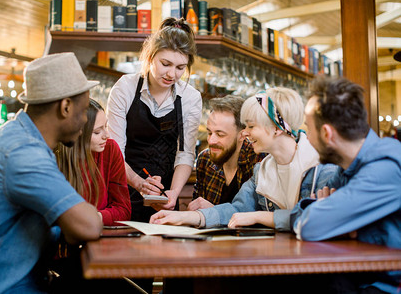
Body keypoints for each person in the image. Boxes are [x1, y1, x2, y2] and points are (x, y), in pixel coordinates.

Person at [0, 52, 103, 293]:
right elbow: (87, 227)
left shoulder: (24, 140)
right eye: (84, 110)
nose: (85, 120)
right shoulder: (22, 151)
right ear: (65, 107)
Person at [150, 87, 339, 231]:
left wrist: (258, 216)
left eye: (251, 126)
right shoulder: (262, 170)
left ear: (276, 128)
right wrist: (185, 218)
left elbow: (313, 220)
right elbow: (237, 209)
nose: (245, 133)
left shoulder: (322, 168)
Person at [291, 76, 401, 293]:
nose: (305, 136)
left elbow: (309, 226)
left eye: (308, 128)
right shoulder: (347, 167)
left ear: (326, 133)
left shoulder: (385, 169)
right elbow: (297, 213)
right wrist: (331, 220)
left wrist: (329, 220)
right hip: (363, 278)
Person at [107, 17, 202, 223]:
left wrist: (174, 193)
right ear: (150, 57)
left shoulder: (190, 97)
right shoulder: (125, 88)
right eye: (165, 64)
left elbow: (185, 154)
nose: (172, 74)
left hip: (166, 197)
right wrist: (139, 183)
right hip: (122, 189)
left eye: (180, 68)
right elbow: (114, 151)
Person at [55, 99, 131, 226]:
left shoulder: (110, 149)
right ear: (78, 133)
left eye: (106, 126)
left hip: (100, 235)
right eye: (97, 132)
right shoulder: (56, 156)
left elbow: (124, 211)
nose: (106, 135)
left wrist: (95, 217)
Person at [188, 95, 264, 211]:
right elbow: (196, 211)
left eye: (220, 134)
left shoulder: (259, 160)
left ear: (242, 135)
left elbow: (260, 217)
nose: (211, 141)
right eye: (209, 133)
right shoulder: (205, 159)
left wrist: (213, 212)